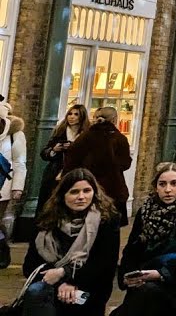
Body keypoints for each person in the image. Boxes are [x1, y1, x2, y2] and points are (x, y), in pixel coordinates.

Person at [113, 163, 176, 316]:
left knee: (146, 298)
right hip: (145, 277)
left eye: (174, 183)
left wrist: (161, 274)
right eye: (162, 184)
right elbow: (132, 249)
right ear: (156, 187)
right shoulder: (146, 210)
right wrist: (127, 277)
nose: (168, 190)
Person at [21, 168, 122, 316]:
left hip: (88, 287)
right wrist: (60, 283)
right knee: (36, 293)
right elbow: (30, 266)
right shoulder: (47, 222)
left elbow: (105, 265)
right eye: (74, 192)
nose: (81, 197)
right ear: (63, 195)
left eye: (87, 191)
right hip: (52, 286)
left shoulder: (107, 221)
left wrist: (67, 276)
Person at [63, 107, 131, 221]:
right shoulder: (119, 138)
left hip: (87, 183)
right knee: (110, 223)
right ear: (114, 119)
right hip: (112, 186)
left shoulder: (85, 136)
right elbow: (125, 164)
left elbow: (72, 157)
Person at [37, 105, 87, 213]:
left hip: (75, 172)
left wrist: (74, 148)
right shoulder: (60, 131)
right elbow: (44, 153)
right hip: (55, 171)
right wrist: (54, 150)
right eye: (70, 114)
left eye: (76, 114)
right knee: (50, 203)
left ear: (82, 117)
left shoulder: (86, 135)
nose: (72, 117)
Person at [0, 100, 27, 268]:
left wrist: (18, 186)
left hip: (3, 184)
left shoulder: (15, 134)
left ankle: (2, 250)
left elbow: (19, 162)